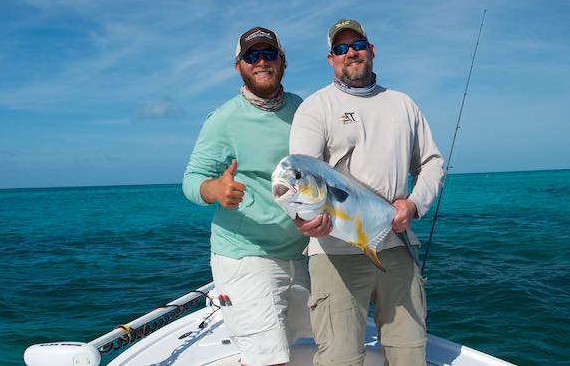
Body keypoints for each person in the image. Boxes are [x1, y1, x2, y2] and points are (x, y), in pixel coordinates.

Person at [289, 19, 445, 366]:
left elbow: (432, 163)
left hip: (397, 247)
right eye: (341, 49)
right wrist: (302, 219)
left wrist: (414, 204)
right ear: (331, 59)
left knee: (409, 355)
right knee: (340, 359)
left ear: (371, 50)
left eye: (357, 45)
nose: (351, 53)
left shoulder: (403, 104)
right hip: (334, 252)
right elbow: (301, 176)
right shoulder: (315, 108)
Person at [182, 26, 330, 366]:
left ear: (283, 62)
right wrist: (213, 190)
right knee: (268, 358)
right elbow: (191, 180)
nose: (261, 61)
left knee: (308, 346)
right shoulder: (224, 120)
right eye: (252, 56)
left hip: (302, 254)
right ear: (239, 66)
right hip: (245, 255)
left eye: (269, 54)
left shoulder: (302, 110)